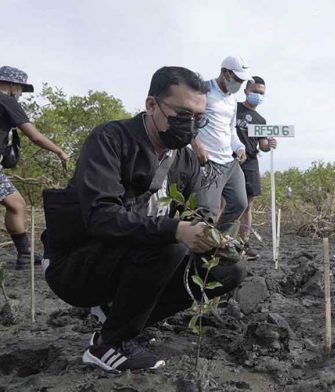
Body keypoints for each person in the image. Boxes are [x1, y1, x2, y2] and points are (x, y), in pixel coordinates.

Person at [41, 66, 246, 372]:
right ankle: (109, 344)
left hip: (132, 258)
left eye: (198, 118)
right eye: (182, 114)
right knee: (169, 242)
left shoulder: (186, 160)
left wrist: (211, 238)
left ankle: (120, 319)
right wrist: (176, 229)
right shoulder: (111, 139)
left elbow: (199, 213)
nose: (190, 125)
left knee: (230, 270)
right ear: (152, 105)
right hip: (74, 264)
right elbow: (102, 217)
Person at [0, 66, 69, 269]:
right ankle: (24, 255)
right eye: (20, 88)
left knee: (16, 204)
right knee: (17, 204)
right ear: (12, 85)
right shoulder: (6, 100)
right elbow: (35, 136)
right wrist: (59, 152)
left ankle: (24, 254)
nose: (20, 93)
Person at [190, 55, 254, 239]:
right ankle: (199, 247)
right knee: (206, 211)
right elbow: (189, 121)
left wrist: (240, 147)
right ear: (225, 72)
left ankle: (215, 240)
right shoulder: (203, 90)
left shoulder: (232, 100)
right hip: (209, 161)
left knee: (240, 203)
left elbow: (231, 129)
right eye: (238, 79)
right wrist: (196, 144)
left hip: (229, 160)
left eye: (242, 81)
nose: (239, 85)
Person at [236, 76, 277, 260]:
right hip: (231, 160)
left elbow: (263, 146)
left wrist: (270, 143)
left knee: (247, 205)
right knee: (226, 203)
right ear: (246, 91)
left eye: (261, 93)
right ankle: (225, 241)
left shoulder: (261, 120)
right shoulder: (233, 109)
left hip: (251, 162)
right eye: (255, 92)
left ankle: (243, 244)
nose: (257, 95)